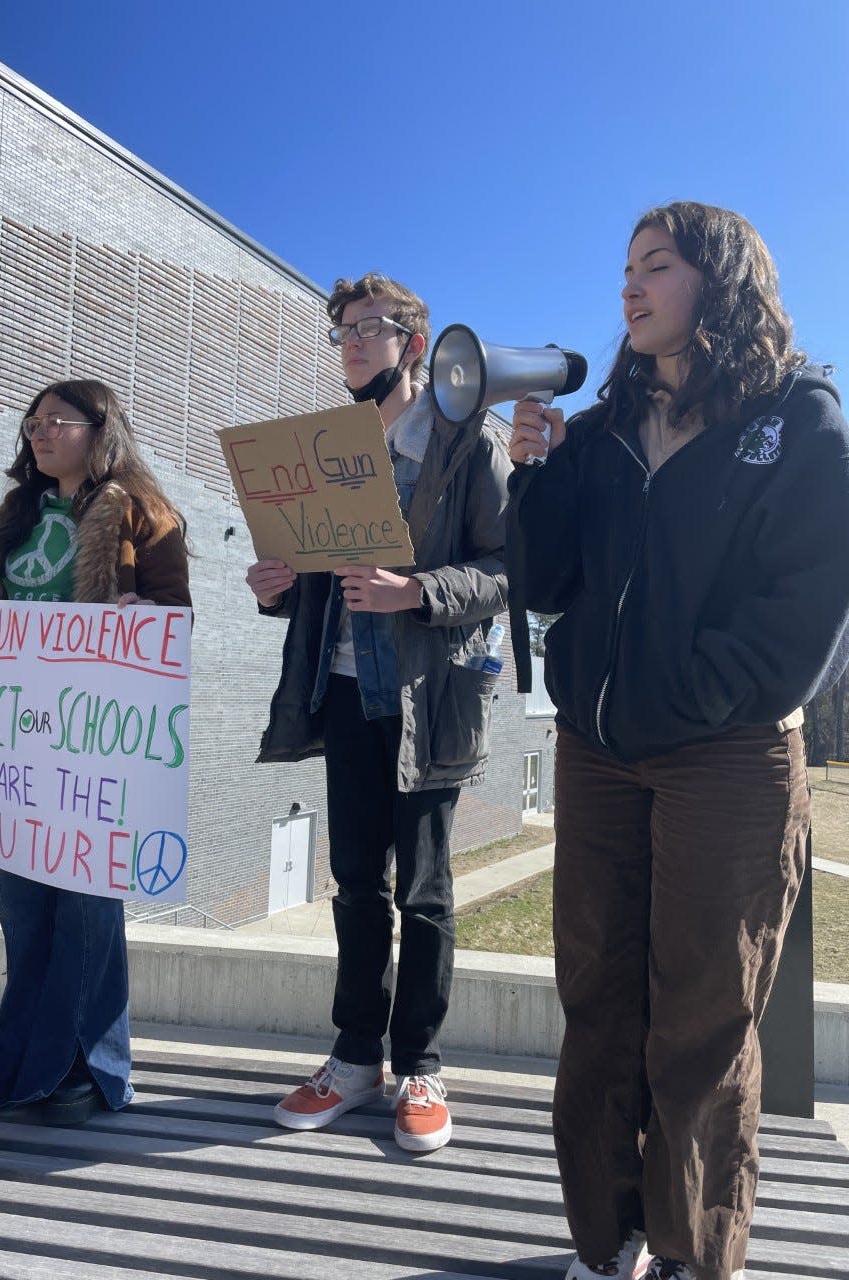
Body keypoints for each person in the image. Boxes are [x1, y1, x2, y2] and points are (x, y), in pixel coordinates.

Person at [506, 201, 849, 1280]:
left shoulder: (801, 417)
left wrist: (687, 693)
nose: (630, 284)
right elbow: (543, 580)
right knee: (597, 1000)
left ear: (722, 279)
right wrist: (535, 478)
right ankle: (607, 1244)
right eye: (624, 267)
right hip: (599, 755)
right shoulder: (602, 428)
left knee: (702, 1014)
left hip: (727, 754)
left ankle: (700, 1253)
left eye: (656, 264)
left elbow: (804, 609)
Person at [247, 274, 510, 1152]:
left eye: (369, 328)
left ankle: (422, 1066)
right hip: (346, 695)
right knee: (357, 884)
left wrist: (417, 592)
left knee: (426, 891)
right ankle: (356, 1059)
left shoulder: (466, 443)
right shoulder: (328, 449)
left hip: (427, 699)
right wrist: (278, 587)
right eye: (343, 333)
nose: (352, 344)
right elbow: (318, 580)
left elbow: (508, 572)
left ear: (413, 340)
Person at [0, 378, 191, 1125]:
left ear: (100, 428)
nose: (40, 432)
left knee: (87, 905)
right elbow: (1, 595)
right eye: (33, 422)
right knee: (21, 904)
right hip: (22, 746)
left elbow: (176, 622)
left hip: (95, 747)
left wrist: (144, 614)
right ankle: (19, 1052)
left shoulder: (141, 512)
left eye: (58, 421)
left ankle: (92, 1065)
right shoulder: (20, 510)